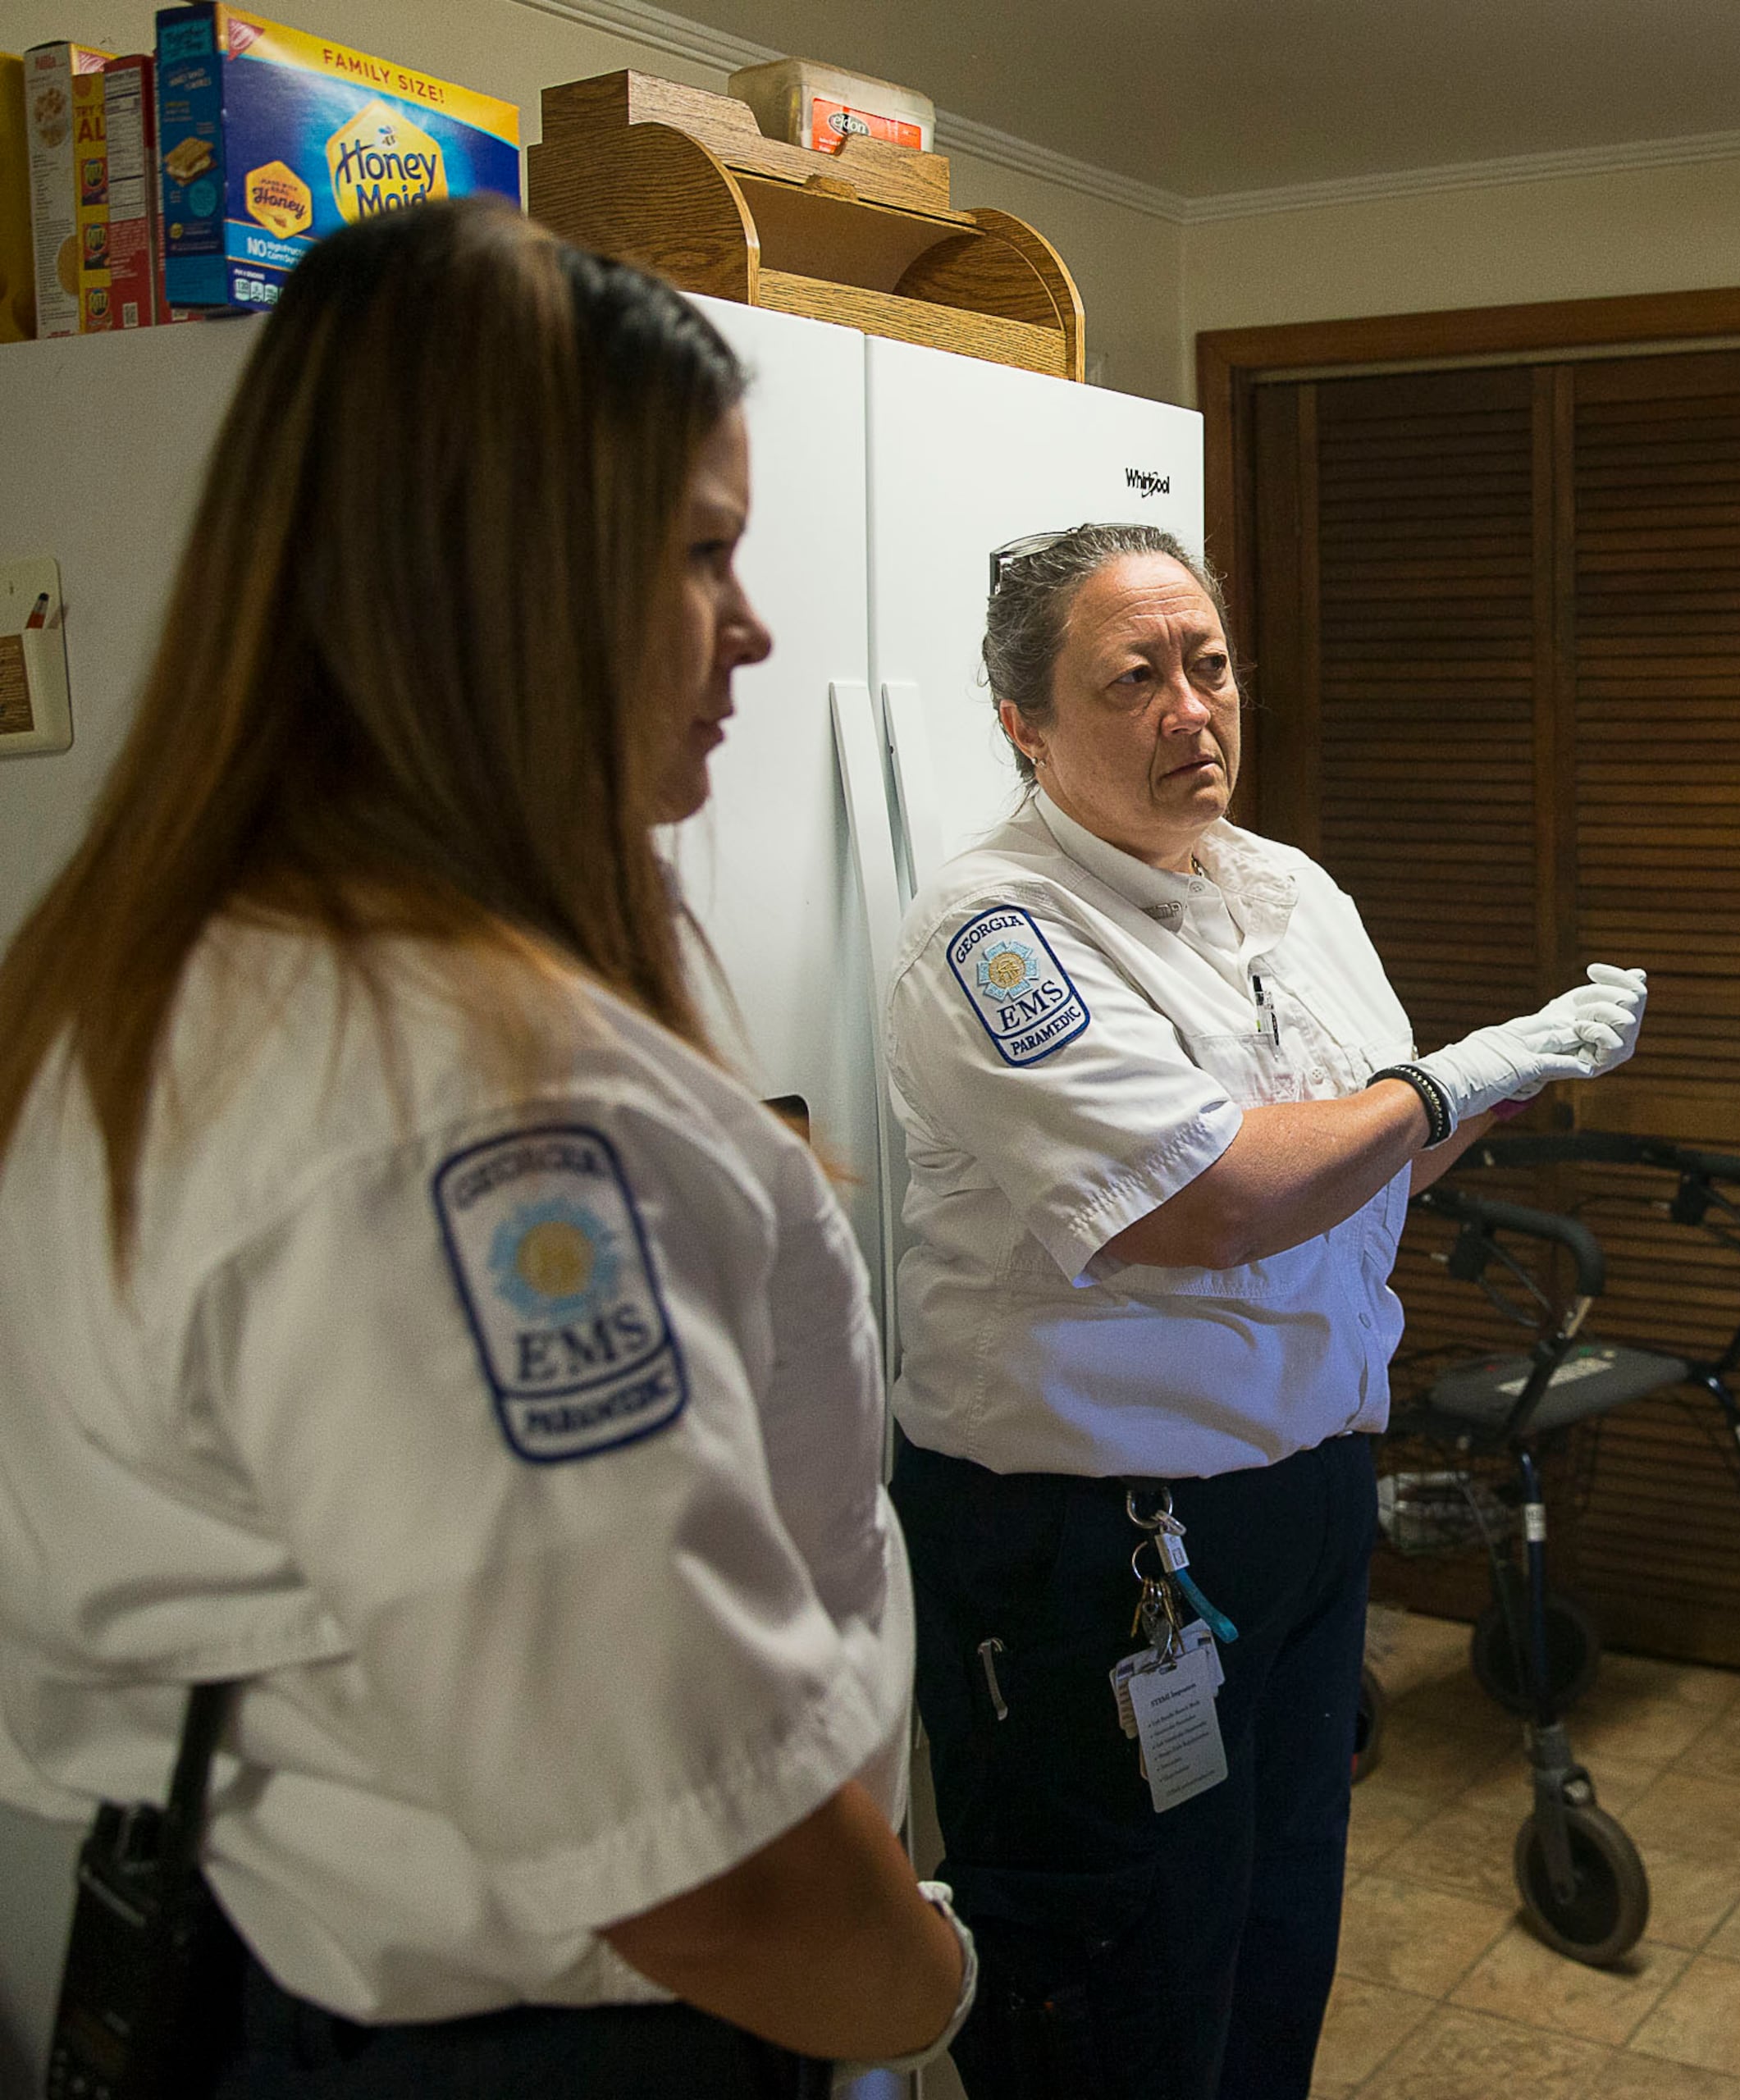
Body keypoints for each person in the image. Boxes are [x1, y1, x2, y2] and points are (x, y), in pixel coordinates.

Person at [0, 200, 971, 2092]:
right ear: (502, 586)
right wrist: (926, 1988)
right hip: (570, 2035)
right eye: (703, 552)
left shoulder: (182, 981)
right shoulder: (481, 1120)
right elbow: (707, 1864)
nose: (756, 627)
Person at [880, 521, 1646, 2095]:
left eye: (1209, 665)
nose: (1192, 711)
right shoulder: (994, 937)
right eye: (1135, 678)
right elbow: (1206, 1200)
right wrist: (1455, 1078)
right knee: (1116, 1976)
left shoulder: (1285, 887)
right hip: (1091, 1540)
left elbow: (1363, 1173)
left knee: (1269, 1937)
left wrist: (1502, 1084)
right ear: (1024, 724)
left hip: (1294, 1501)